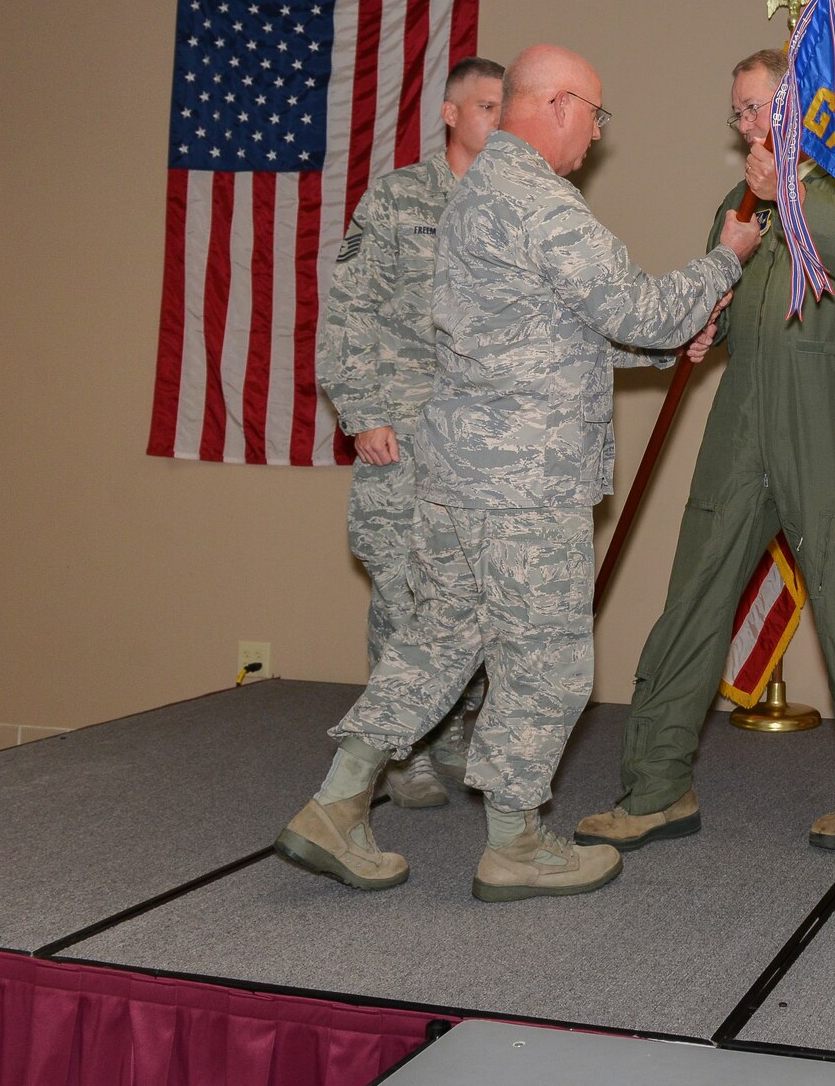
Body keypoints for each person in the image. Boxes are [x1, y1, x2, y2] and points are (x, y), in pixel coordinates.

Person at [276, 45, 761, 902]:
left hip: (459, 473)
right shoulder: (541, 200)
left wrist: (660, 342)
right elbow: (636, 304)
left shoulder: (472, 195)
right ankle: (516, 843)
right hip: (526, 485)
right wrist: (723, 257)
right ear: (561, 105)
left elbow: (554, 326)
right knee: (546, 660)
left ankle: (337, 800)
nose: (598, 134)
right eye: (597, 115)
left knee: (436, 641)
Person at [575, 48, 835, 856]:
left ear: (802, 106)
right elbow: (726, 296)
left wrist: (786, 192)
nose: (746, 125)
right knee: (694, 586)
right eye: (737, 112)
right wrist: (703, 326)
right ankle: (657, 785)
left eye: (757, 107)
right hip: (743, 413)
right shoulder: (741, 197)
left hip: (823, 414)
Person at [316, 55, 503, 810]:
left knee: (478, 596)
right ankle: (400, 748)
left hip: (487, 445)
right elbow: (349, 308)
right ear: (452, 114)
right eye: (487, 104)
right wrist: (363, 411)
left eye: (506, 106)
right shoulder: (396, 199)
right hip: (405, 434)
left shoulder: (517, 207)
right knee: (402, 592)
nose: (498, 117)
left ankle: (455, 728)